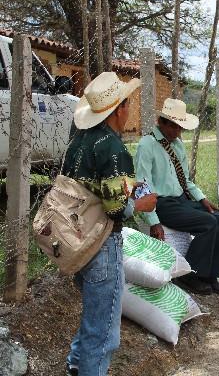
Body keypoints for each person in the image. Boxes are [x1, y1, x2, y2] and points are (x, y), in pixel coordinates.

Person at [64, 72, 157, 376]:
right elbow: (116, 210)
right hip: (101, 246)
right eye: (127, 106)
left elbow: (90, 188)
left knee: (93, 316)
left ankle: (75, 366)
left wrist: (125, 187)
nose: (129, 112)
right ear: (119, 110)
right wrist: (139, 204)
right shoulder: (114, 150)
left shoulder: (79, 140)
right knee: (104, 333)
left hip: (75, 240)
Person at [135, 98, 219, 296]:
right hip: (162, 203)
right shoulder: (147, 144)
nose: (178, 132)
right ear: (162, 123)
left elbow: (185, 179)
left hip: (180, 200)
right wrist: (153, 221)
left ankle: (210, 275)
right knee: (208, 222)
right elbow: (142, 185)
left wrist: (202, 198)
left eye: (180, 128)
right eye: (175, 127)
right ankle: (192, 273)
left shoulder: (176, 145)